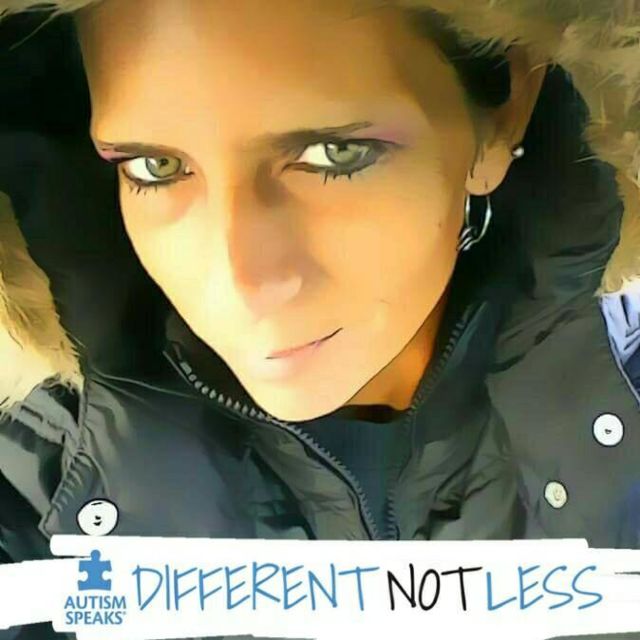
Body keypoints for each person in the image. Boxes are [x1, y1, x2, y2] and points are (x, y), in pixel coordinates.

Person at [1, 0, 639, 565]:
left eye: (334, 155)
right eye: (156, 166)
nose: (241, 283)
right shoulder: (32, 472)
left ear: (503, 118)